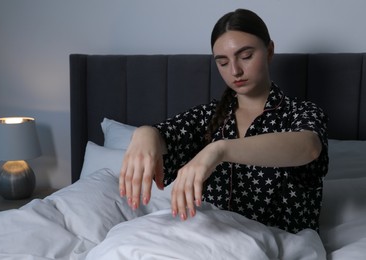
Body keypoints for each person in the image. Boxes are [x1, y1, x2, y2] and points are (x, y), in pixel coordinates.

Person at [119, 8, 328, 233]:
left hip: (280, 244)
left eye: (246, 56)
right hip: (214, 241)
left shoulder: (301, 112)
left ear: (269, 51)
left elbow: (309, 148)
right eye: (223, 62)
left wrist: (219, 150)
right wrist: (144, 134)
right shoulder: (208, 117)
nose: (235, 70)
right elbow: (166, 134)